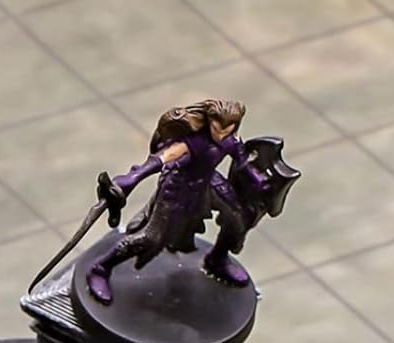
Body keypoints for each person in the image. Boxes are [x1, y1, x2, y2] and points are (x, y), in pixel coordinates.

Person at [86, 98, 267, 304]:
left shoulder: (231, 140)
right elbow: (159, 160)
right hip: (177, 188)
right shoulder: (192, 143)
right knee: (150, 238)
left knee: (237, 218)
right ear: (209, 122)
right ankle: (101, 268)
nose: (221, 135)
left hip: (208, 183)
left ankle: (217, 259)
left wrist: (258, 179)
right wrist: (131, 179)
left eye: (227, 130)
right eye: (217, 128)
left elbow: (241, 159)